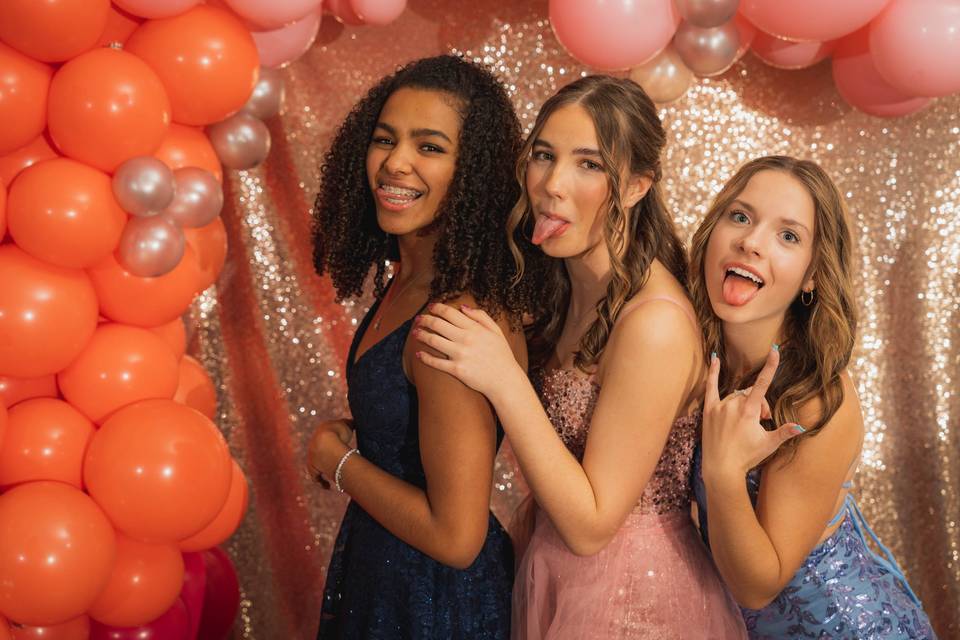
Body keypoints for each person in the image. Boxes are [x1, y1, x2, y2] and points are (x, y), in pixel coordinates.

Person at [414, 75, 746, 639]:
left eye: (589, 164)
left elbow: (592, 527)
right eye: (544, 155)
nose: (551, 185)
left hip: (633, 604)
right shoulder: (563, 288)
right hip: (555, 575)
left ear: (638, 185)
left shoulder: (655, 324)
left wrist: (502, 378)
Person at [307, 54, 543, 639]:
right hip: (388, 580)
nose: (395, 162)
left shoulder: (453, 319)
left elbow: (456, 537)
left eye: (430, 147)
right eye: (385, 139)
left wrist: (336, 462)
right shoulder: (409, 283)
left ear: (476, 173)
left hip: (433, 607)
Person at [688, 155, 937, 638]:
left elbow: (758, 586)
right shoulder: (695, 349)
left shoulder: (817, 400)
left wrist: (722, 472)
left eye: (788, 236)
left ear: (812, 276)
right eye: (740, 216)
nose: (750, 241)